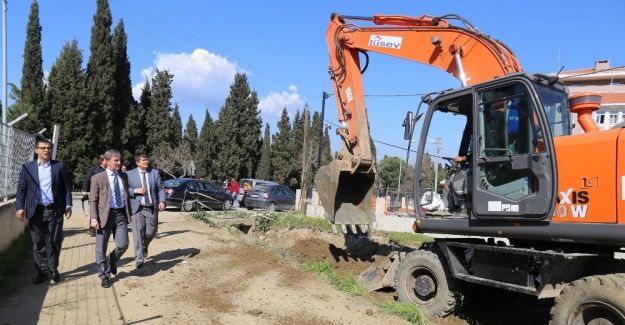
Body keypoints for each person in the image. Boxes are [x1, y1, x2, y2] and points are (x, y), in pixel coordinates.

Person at [15, 139, 72, 284]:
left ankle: (53, 268)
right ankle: (41, 271)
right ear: (36, 150)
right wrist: (20, 207)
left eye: (49, 148)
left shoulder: (58, 166)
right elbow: (21, 189)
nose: (46, 150)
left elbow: (66, 187)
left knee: (54, 241)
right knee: (38, 243)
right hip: (35, 210)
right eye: (43, 148)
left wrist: (68, 205)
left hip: (55, 209)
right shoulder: (28, 167)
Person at [89, 149, 131, 288]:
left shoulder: (124, 176)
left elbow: (126, 195)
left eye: (120, 160)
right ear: (107, 161)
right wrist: (94, 218)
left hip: (120, 215)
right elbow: (93, 200)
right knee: (101, 247)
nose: (119, 163)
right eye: (116, 160)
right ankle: (104, 275)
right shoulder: (97, 178)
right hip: (103, 216)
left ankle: (111, 259)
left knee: (123, 244)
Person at [127, 152, 166, 269]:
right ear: (137, 162)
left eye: (147, 159)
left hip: (151, 207)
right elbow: (124, 189)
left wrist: (162, 201)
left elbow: (161, 188)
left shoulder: (154, 173)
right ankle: (139, 258)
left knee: (151, 232)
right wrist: (135, 191)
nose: (146, 161)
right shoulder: (129, 174)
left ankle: (144, 246)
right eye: (144, 160)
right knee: (138, 233)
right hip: (137, 208)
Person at [82, 155, 106, 236]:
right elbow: (87, 179)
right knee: (95, 210)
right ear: (102, 161)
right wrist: (85, 190)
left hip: (105, 194)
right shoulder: (94, 169)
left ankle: (104, 227)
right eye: (106, 160)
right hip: (95, 193)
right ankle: (92, 228)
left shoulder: (109, 170)